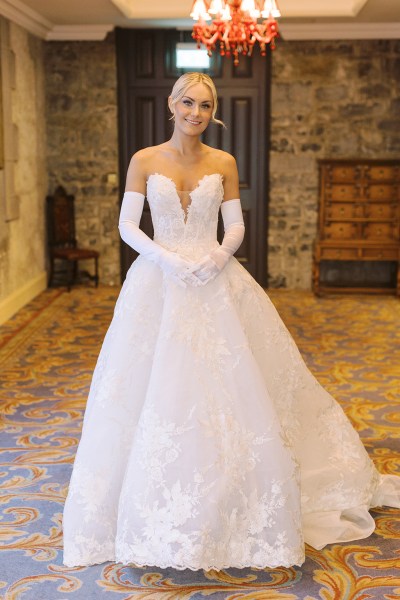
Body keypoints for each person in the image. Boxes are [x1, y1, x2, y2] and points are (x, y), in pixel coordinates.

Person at [63, 72, 400, 571]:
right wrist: (167, 260)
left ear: (212, 111)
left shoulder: (223, 162)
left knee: (237, 385)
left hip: (215, 276)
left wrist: (218, 258)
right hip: (160, 278)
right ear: (172, 104)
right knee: (151, 386)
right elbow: (126, 226)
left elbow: (236, 224)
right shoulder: (144, 159)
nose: (195, 113)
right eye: (187, 103)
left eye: (204, 105)